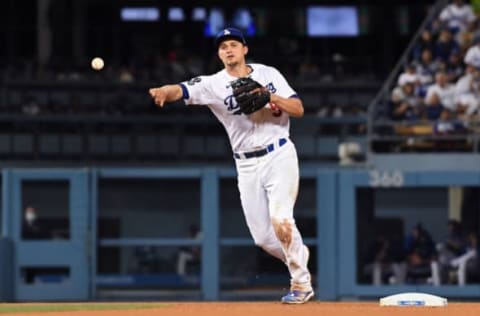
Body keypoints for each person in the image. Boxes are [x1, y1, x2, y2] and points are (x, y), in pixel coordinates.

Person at [149, 27, 314, 304]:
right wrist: (165, 90)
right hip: (246, 165)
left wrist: (269, 96)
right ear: (219, 53)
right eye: (223, 46)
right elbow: (183, 89)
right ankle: (297, 253)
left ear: (245, 49)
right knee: (263, 238)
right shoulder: (214, 84)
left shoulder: (269, 74)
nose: (228, 49)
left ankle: (301, 283)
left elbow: (298, 109)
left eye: (234, 44)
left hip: (279, 154)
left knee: (281, 219)